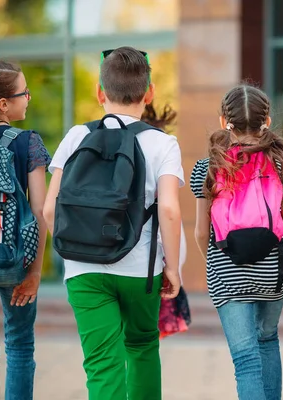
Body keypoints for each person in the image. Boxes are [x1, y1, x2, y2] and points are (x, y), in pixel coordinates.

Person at [43, 47, 183, 400]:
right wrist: (173, 268)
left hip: (83, 269)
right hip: (141, 270)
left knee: (102, 363)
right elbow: (168, 209)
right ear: (148, 93)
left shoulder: (76, 136)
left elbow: (49, 209)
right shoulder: (163, 143)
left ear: (99, 92)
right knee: (142, 347)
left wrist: (73, 249)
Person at [191, 84, 283, 400]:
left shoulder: (207, 168)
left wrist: (216, 264)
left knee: (245, 360)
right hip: (275, 269)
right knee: (267, 339)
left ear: (222, 121)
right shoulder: (281, 163)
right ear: (266, 120)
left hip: (228, 270)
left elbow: (202, 233)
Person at [0, 60, 50, 400]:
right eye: (23, 92)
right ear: (3, 104)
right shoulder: (28, 142)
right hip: (16, 259)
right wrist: (35, 271)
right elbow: (41, 210)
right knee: (19, 345)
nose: (28, 97)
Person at [140, 102, 191, 339]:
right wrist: (174, 268)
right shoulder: (163, 176)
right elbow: (171, 220)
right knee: (147, 339)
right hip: (155, 267)